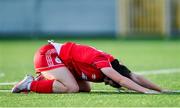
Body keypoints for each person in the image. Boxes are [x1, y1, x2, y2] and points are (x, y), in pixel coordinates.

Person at [12, 40, 164, 94]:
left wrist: (161, 90)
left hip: (61, 61)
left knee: (86, 88)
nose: (108, 83)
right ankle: (30, 84)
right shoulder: (103, 63)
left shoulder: (113, 64)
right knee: (71, 88)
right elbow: (123, 80)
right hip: (48, 55)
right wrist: (146, 92)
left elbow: (133, 76)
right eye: (111, 82)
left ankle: (45, 78)